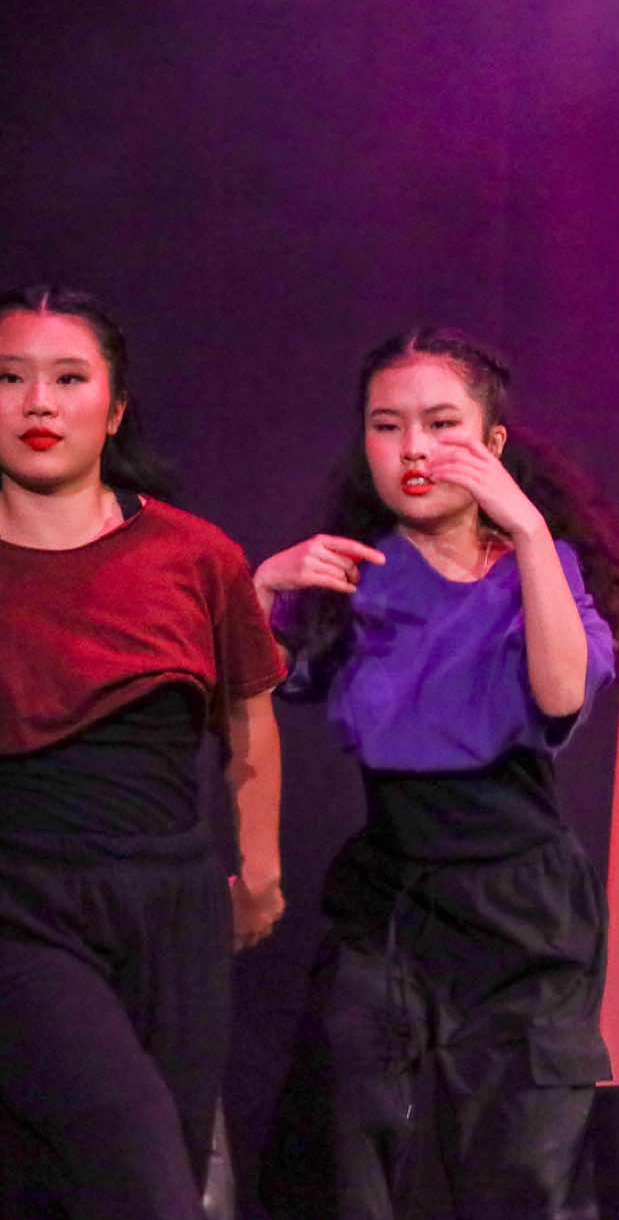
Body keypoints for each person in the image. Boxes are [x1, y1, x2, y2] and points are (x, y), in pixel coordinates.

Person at [256, 328, 619, 1219]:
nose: (414, 448)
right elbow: (239, 689)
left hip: (522, 903)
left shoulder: (542, 569)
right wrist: (259, 591)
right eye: (387, 425)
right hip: (393, 893)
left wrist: (526, 527)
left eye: (441, 423)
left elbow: (562, 692)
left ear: (493, 441)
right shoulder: (348, 573)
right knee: (342, 1149)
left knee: (519, 1171)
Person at [0, 285, 285, 1219]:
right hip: (18, 899)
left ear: (114, 407)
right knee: (140, 1165)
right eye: (9, 378)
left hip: (171, 906)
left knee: (89, 1177)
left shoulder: (194, 555)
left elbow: (247, 710)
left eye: (67, 378)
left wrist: (259, 869)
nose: (37, 403)